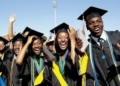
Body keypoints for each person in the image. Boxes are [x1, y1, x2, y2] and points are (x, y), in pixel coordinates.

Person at [77, 6, 120, 86]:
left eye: (98, 21)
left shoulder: (117, 36)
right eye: (91, 23)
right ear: (86, 27)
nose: (96, 24)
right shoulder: (86, 47)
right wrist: (76, 51)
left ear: (102, 23)